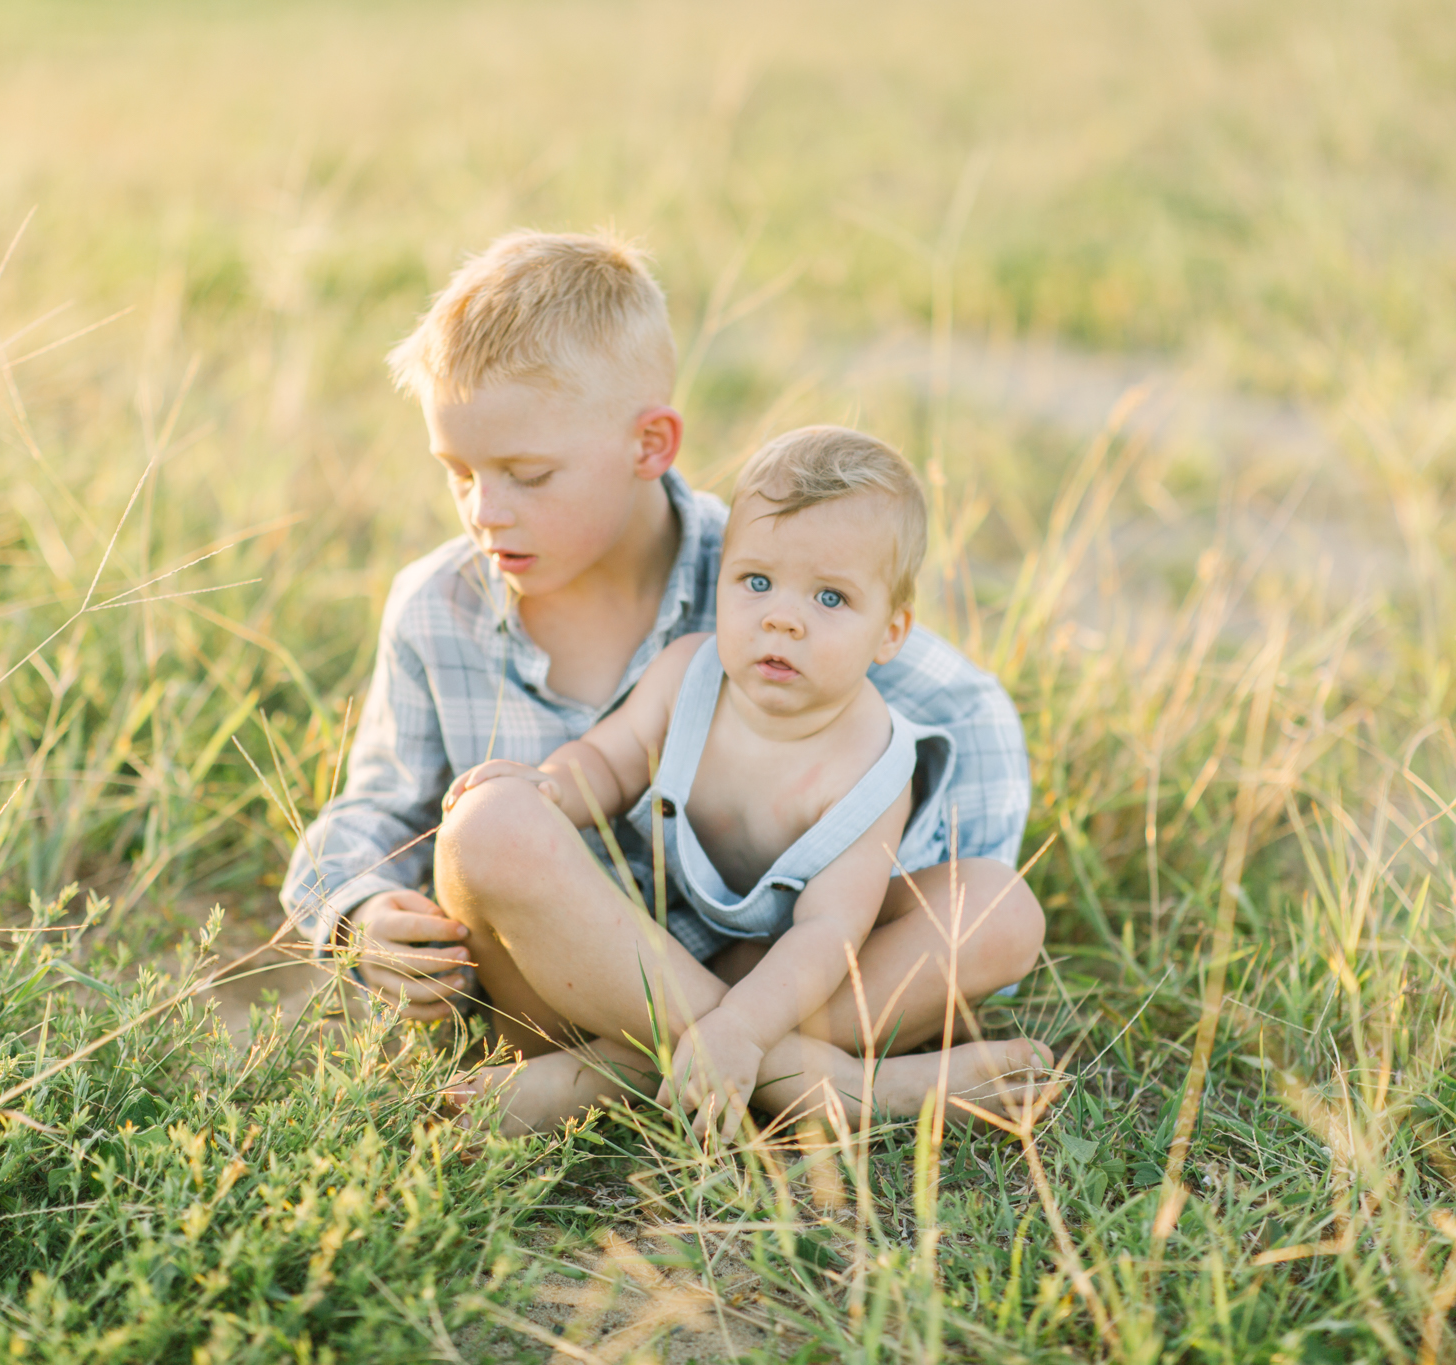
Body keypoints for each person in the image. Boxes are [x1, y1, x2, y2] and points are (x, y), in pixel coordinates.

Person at [281, 229, 1049, 1133]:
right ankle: (822, 1083)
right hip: (549, 994)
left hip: (772, 974)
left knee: (997, 905)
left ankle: (617, 1076)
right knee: (489, 826)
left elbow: (968, 712)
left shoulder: (768, 575)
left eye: (528, 475)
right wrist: (361, 913)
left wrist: (874, 879)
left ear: (651, 443)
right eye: (459, 474)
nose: (486, 510)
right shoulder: (434, 607)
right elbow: (374, 809)